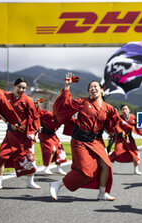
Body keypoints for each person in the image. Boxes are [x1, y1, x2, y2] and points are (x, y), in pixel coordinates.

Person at [50, 73, 132, 201]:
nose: (93, 89)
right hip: (80, 140)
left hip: (96, 141)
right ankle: (57, 184)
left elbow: (116, 122)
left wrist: (122, 131)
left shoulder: (108, 108)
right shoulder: (82, 102)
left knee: (106, 166)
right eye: (90, 87)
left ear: (101, 91)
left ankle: (102, 193)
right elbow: (63, 108)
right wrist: (67, 88)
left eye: (95, 87)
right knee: (86, 172)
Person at [0, 77, 41, 190]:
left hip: (24, 135)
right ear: (14, 86)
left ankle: (30, 181)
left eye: (24, 88)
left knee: (29, 158)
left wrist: (36, 128)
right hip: (10, 134)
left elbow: (35, 117)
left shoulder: (28, 100)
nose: (21, 89)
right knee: (2, 156)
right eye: (19, 87)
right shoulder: (6, 96)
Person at [109, 104, 142, 175]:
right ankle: (105, 162)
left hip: (129, 138)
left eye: (126, 109)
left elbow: (137, 128)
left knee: (135, 153)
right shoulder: (119, 118)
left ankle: (136, 170)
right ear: (121, 111)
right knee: (118, 152)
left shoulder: (133, 117)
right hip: (119, 138)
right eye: (123, 109)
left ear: (129, 110)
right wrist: (121, 132)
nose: (124, 111)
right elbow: (116, 126)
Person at [35, 100, 67, 175]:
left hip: (52, 134)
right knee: (50, 149)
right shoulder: (48, 114)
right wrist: (37, 106)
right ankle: (46, 167)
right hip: (44, 134)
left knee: (60, 149)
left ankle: (58, 168)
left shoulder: (62, 119)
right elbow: (38, 112)